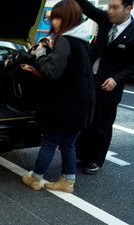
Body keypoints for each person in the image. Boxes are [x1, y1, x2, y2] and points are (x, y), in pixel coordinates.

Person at [22, 0, 94, 193]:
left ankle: (35, 178)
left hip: (64, 105)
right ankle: (67, 181)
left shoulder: (65, 40)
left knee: (49, 142)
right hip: (80, 104)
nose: (53, 22)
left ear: (66, 19)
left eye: (56, 18)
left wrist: (41, 54)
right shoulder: (82, 40)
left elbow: (52, 72)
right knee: (68, 143)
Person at [74, 0, 134, 175]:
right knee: (86, 119)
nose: (110, 10)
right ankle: (82, 154)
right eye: (110, 6)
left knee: (102, 124)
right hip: (90, 79)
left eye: (115, 7)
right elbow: (88, 8)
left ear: (128, 9)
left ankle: (96, 160)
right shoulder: (106, 19)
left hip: (110, 85)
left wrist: (116, 79)